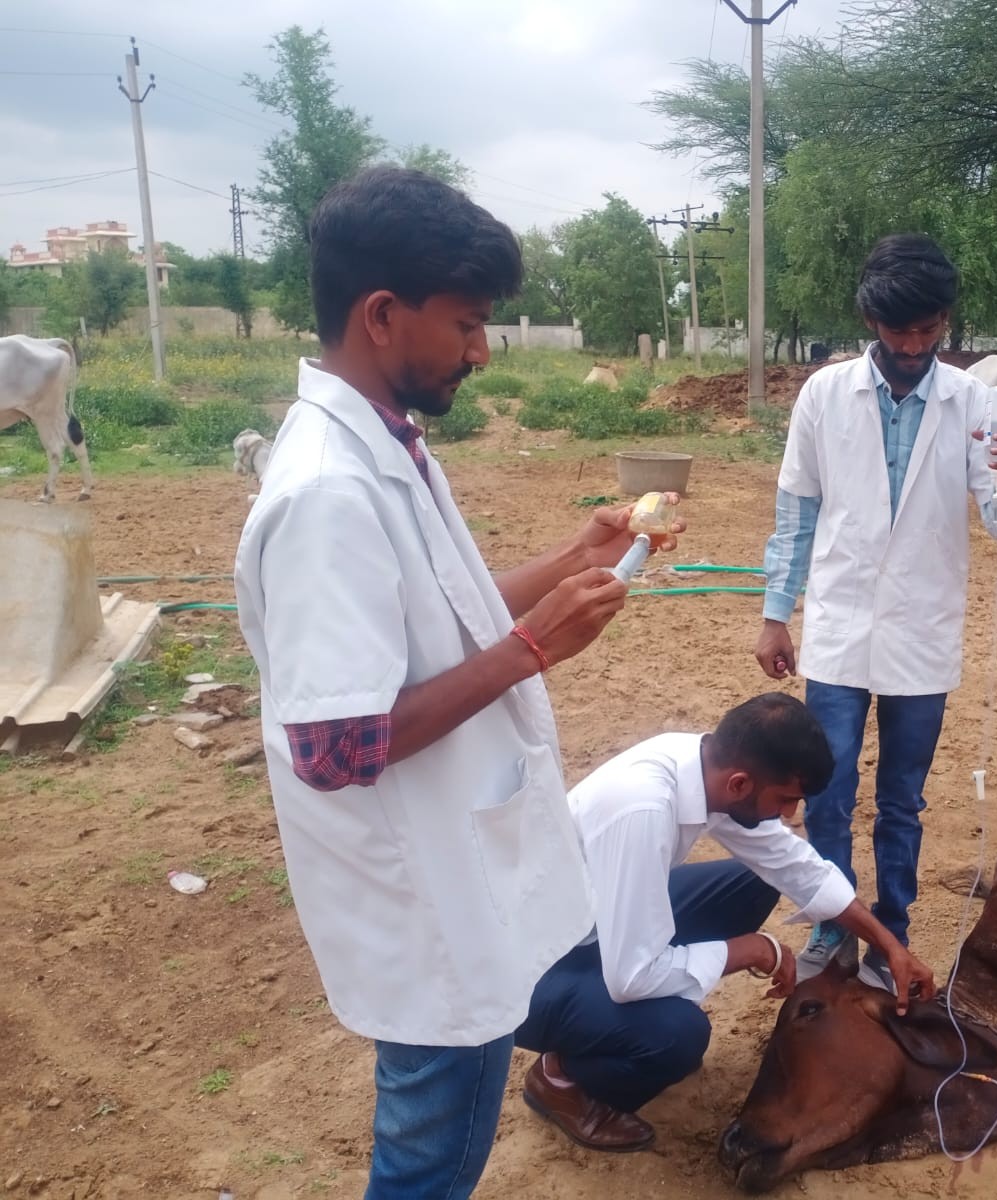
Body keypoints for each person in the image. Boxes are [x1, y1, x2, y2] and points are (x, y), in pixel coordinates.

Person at [233, 166, 680, 1198]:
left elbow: (446, 608)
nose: (482, 350)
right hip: (422, 901)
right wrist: (534, 649)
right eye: (469, 324)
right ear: (383, 315)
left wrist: (575, 557)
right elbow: (335, 748)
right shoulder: (328, 495)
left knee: (446, 1148)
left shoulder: (388, 444)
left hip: (458, 873)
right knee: (429, 1167)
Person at [754, 234, 997, 989]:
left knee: (901, 800)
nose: (913, 346)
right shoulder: (824, 393)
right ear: (869, 320)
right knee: (827, 785)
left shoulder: (974, 400)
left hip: (922, 627)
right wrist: (775, 612)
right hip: (840, 624)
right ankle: (830, 927)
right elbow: (796, 511)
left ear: (945, 320)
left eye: (928, 329)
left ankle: (893, 933)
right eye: (897, 330)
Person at [515, 693, 936, 1152]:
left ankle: (607, 1029)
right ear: (739, 783)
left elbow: (794, 863)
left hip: (591, 920)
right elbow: (630, 976)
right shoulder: (642, 809)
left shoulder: (702, 764)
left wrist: (889, 944)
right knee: (678, 1036)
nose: (789, 815)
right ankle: (562, 1078)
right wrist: (752, 950)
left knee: (751, 881)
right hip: (531, 974)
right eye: (786, 799)